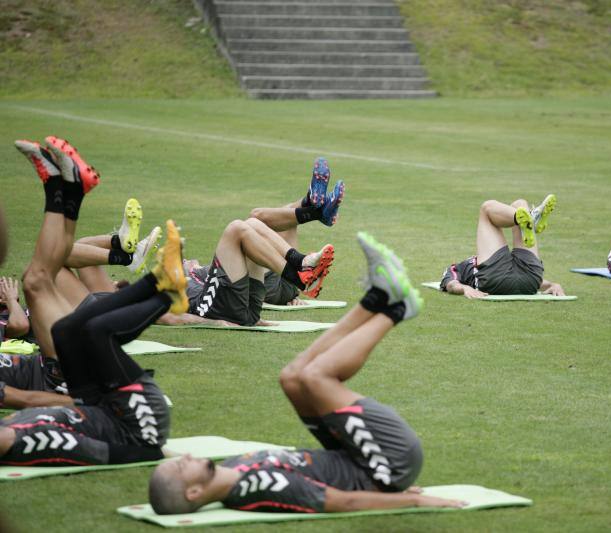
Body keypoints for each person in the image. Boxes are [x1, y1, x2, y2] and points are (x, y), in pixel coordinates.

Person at [148, 233, 464, 515]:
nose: (185, 456)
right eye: (180, 466)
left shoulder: (233, 468)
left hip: (361, 460)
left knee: (291, 378)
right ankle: (396, 309)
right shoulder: (257, 491)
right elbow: (343, 502)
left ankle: (375, 299)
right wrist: (414, 501)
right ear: (193, 492)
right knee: (315, 379)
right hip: (387, 463)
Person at [0, 219, 187, 465]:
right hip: (137, 422)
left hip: (99, 406)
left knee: (66, 331)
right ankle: (166, 296)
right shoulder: (29, 442)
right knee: (95, 333)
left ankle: (159, 281)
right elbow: (91, 450)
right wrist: (154, 455)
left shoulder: (12, 427)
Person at [160, 217, 334, 327]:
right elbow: (163, 316)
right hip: (216, 310)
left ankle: (300, 262)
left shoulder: (196, 272)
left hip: (246, 310)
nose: (188, 261)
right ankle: (298, 276)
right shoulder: (159, 287)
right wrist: (212, 323)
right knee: (236, 228)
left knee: (252, 223)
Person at [249, 157, 345, 306]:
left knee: (285, 217)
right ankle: (315, 209)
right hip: (269, 285)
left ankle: (312, 204)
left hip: (286, 283)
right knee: (255, 219)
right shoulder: (205, 277)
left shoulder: (212, 271)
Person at [439, 195, 564, 298]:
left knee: (519, 203)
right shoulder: (454, 268)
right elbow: (451, 285)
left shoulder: (468, 266)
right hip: (503, 278)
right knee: (486, 208)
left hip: (529, 280)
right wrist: (465, 288)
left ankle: (528, 217)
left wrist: (552, 285)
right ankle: (530, 217)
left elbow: (517, 279)